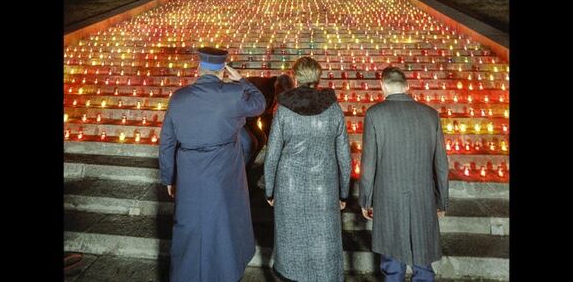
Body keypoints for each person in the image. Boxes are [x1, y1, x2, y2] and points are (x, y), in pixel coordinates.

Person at [158, 47, 268, 282]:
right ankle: (223, 271)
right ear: (222, 71)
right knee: (222, 225)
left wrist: (169, 177)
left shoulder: (179, 97)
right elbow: (260, 104)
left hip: (188, 172)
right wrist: (242, 80)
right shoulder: (233, 93)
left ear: (199, 68)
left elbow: (167, 141)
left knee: (189, 226)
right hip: (223, 172)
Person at [264, 56, 352, 281]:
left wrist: (270, 190)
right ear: (318, 77)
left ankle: (291, 274)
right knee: (323, 237)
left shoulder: (283, 109)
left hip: (289, 184)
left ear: (295, 78)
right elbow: (344, 155)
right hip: (324, 184)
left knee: (291, 236)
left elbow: (272, 154)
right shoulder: (333, 109)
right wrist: (344, 193)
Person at [359, 67, 449, 282]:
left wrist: (366, 199)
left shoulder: (375, 114)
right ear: (407, 86)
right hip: (422, 195)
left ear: (382, 86)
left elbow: (369, 162)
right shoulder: (430, 114)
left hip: (388, 195)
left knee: (392, 259)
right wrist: (441, 201)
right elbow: (441, 164)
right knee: (423, 256)